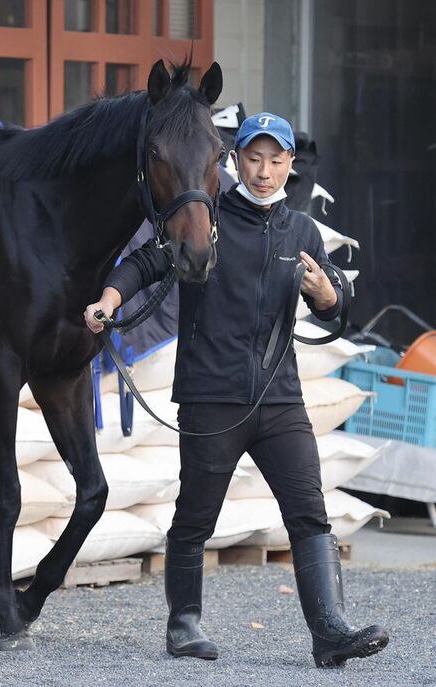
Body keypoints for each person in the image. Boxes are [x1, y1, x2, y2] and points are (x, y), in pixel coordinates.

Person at [84, 112, 389, 668]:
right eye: (254, 158)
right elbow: (147, 263)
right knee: (196, 518)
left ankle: (330, 632)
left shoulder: (301, 230)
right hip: (210, 398)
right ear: (235, 161)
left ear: (290, 166)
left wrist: (326, 295)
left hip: (280, 400)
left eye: (277, 161)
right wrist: (108, 301)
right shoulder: (208, 217)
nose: (265, 171)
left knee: (309, 514)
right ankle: (184, 625)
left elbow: (337, 306)